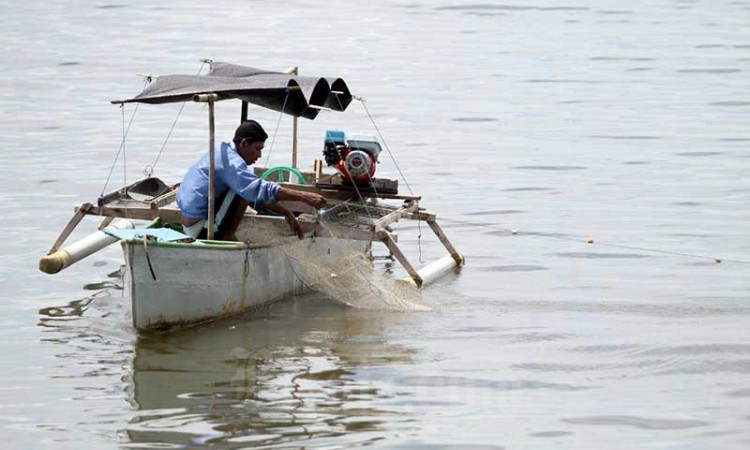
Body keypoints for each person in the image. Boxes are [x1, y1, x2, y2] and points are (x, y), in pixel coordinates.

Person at [176, 120, 326, 240]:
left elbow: (255, 191)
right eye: (257, 149)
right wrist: (305, 196)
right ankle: (226, 237)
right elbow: (256, 190)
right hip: (201, 229)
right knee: (244, 192)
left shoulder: (223, 152)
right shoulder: (231, 163)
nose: (259, 155)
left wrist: (286, 212)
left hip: (189, 224)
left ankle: (226, 234)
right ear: (244, 144)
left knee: (246, 189)